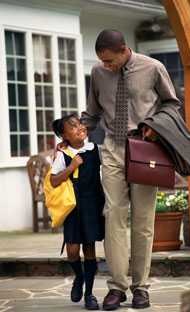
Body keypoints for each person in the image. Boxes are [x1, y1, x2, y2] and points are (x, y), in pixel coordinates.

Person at [81, 29, 181, 310]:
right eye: (103, 61)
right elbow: (92, 113)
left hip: (145, 150)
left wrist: (155, 127)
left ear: (124, 50)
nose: (107, 66)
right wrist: (71, 137)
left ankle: (141, 287)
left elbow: (172, 104)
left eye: (111, 61)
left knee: (143, 220)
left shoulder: (153, 68)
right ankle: (117, 287)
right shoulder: (99, 73)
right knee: (113, 215)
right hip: (113, 148)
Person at [50, 114, 105, 310]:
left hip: (92, 205)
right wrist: (72, 166)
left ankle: (89, 294)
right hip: (73, 207)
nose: (79, 127)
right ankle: (79, 276)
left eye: (79, 123)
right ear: (64, 137)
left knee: (89, 249)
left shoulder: (95, 149)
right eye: (72, 127)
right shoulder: (63, 155)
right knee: (72, 251)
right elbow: (53, 180)